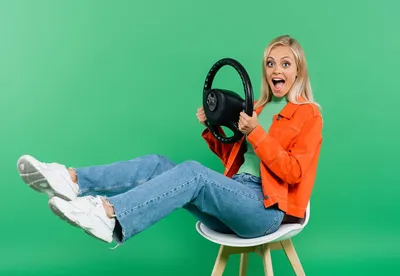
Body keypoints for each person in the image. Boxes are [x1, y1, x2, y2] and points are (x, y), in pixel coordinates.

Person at [17, 35, 323, 248]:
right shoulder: (257, 108)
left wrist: (256, 133)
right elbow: (238, 159)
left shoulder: (308, 115)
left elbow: (293, 172)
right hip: (236, 197)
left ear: (298, 70)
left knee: (193, 172)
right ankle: (71, 180)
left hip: (264, 212)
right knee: (156, 164)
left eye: (285, 64)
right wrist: (211, 128)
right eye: (270, 63)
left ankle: (109, 214)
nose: (276, 70)